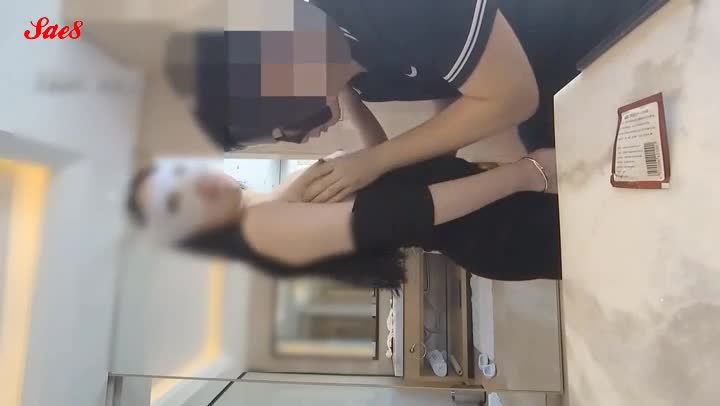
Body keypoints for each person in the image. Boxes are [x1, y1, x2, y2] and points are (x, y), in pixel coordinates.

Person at [165, 0, 651, 203]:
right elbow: (458, 84)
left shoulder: (378, 9)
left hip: (606, 23)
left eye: (284, 127)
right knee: (600, 186)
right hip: (553, 73)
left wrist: (376, 161)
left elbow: (512, 96)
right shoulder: (357, 73)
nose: (302, 137)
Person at [126, 147, 561, 289]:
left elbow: (388, 179)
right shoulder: (261, 228)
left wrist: (350, 100)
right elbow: (407, 214)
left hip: (494, 207)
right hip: (499, 228)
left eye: (177, 176)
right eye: (176, 203)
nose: (193, 186)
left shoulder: (270, 201)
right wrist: (523, 174)